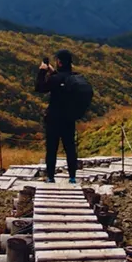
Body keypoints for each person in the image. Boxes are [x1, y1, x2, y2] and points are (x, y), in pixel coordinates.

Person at [35, 49, 79, 184]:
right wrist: (53, 72)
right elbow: (62, 81)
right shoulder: (75, 78)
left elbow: (39, 87)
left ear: (59, 62)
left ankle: (50, 177)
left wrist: (43, 71)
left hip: (54, 118)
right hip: (69, 119)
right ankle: (72, 177)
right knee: (70, 147)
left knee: (52, 148)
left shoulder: (55, 79)